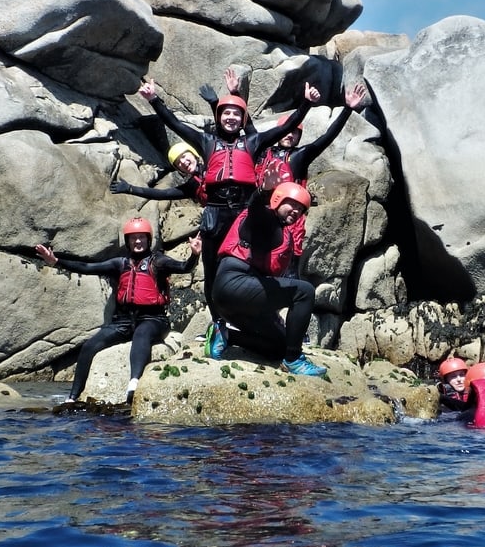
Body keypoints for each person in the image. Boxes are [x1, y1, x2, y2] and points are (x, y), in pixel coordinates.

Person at [137, 76, 320, 331]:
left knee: (253, 263)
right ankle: (218, 324)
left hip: (244, 211)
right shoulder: (207, 142)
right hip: (215, 213)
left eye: (236, 113)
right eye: (226, 113)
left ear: (243, 119)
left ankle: (257, 317)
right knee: (211, 270)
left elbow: (283, 128)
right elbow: (176, 124)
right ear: (219, 116)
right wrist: (154, 100)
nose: (231, 117)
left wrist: (306, 104)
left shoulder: (253, 142)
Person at [35, 218, 201, 405]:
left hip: (154, 319)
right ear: (128, 241)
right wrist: (56, 262)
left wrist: (194, 255)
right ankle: (72, 397)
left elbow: (184, 267)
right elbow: (88, 268)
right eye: (133, 238)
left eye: (141, 238)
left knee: (141, 334)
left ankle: (134, 384)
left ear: (148, 240)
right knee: (90, 345)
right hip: (123, 320)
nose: (138, 242)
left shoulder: (159, 261)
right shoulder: (120, 264)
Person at [209, 180, 326, 376]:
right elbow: (255, 210)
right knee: (304, 292)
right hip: (233, 283)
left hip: (242, 299)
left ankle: (227, 336)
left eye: (301, 209)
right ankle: (294, 361)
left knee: (280, 345)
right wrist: (263, 190)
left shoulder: (281, 231)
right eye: (292, 205)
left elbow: (267, 283)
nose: (296, 211)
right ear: (277, 200)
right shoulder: (265, 220)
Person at [254, 82, 369, 272]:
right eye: (287, 130)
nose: (290, 135)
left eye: (295, 133)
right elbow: (246, 128)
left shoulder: (301, 155)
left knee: (287, 266)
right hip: (263, 213)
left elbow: (327, 137)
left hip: (289, 219)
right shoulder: (262, 152)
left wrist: (348, 109)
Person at [110, 142, 207, 206]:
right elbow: (163, 194)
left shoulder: (213, 163)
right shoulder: (192, 186)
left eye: (184, 156)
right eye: (178, 163)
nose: (183, 162)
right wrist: (130, 189)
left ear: (194, 154)